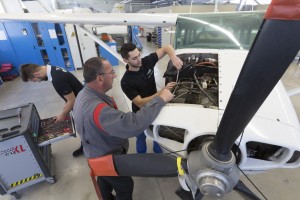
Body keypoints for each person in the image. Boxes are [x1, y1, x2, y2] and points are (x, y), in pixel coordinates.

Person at [72, 57, 174, 200]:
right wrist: (161, 99)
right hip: (105, 156)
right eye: (111, 72)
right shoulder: (98, 109)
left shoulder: (84, 94)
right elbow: (133, 125)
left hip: (94, 152)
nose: (114, 75)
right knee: (125, 186)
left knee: (103, 179)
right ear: (100, 78)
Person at [120, 43, 183, 153]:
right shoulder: (126, 81)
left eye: (139, 55)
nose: (139, 60)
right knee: (140, 139)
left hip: (156, 107)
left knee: (157, 135)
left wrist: (173, 57)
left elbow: (166, 47)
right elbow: (140, 102)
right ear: (126, 60)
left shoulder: (146, 62)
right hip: (139, 113)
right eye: (134, 58)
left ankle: (158, 155)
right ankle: (142, 158)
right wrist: (162, 92)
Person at [19, 64, 84, 157]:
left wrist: (63, 114)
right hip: (81, 98)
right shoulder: (54, 69)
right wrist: (66, 106)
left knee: (84, 129)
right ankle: (86, 144)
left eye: (34, 80)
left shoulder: (57, 79)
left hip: (83, 105)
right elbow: (70, 96)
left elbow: (72, 100)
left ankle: (88, 147)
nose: (37, 82)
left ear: (37, 74)